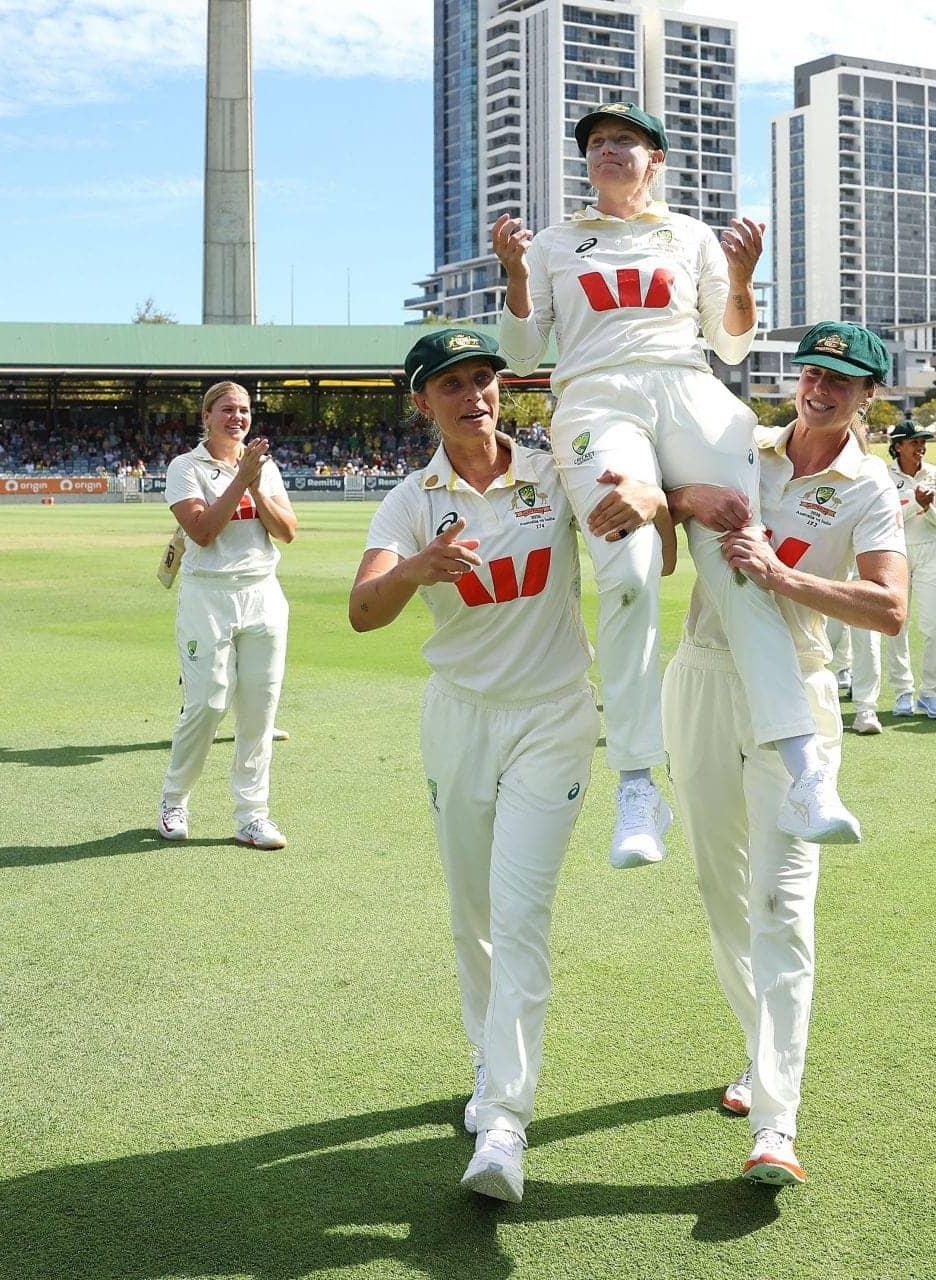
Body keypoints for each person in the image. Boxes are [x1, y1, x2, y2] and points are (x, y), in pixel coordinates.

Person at [349, 329, 671, 1203]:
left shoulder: (551, 473)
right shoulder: (410, 501)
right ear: (422, 402)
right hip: (459, 720)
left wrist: (648, 497)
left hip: (555, 718)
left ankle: (502, 1121)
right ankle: (489, 1054)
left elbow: (650, 550)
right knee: (473, 913)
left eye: (485, 379)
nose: (474, 395)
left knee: (522, 912)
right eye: (452, 384)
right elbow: (362, 611)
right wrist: (418, 567)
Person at [494, 100, 858, 867]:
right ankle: (636, 784)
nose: (606, 151)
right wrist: (514, 277)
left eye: (624, 140)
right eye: (595, 143)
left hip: (690, 389)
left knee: (745, 562)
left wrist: (744, 277)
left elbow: (730, 342)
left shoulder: (690, 235)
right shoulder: (558, 242)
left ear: (655, 159)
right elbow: (523, 351)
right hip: (596, 396)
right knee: (625, 573)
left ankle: (804, 771)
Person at [662, 322, 907, 1186]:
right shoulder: (743, 448)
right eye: (812, 372)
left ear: (869, 395)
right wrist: (690, 500)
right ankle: (756, 1053)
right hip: (699, 673)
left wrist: (783, 576)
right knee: (720, 891)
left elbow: (888, 609)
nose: (821, 388)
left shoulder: (870, 487)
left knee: (783, 903)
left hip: (798, 687)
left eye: (842, 380)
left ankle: (777, 1123)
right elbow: (660, 509)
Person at [157, 381, 297, 851]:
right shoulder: (185, 467)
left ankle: (252, 815)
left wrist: (256, 484)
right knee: (209, 703)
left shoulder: (264, 468)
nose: (237, 417)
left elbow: (287, 531)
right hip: (208, 597)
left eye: (244, 410)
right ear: (207, 415)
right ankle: (174, 799)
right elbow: (200, 531)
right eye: (227, 409)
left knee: (259, 709)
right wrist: (242, 480)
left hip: (263, 593)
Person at [851, 420, 936, 729]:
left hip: (930, 551)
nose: (920, 447)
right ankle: (903, 691)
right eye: (914, 442)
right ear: (897, 446)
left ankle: (930, 693)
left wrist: (930, 509)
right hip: (895, 552)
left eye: (923, 442)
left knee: (934, 623)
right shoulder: (883, 475)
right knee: (898, 625)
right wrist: (915, 504)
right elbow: (887, 517)